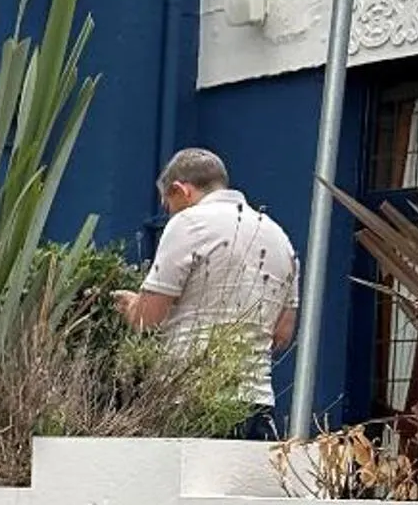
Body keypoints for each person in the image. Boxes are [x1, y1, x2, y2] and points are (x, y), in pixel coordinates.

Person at [114, 148, 299, 435]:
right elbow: (282, 333)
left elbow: (147, 318)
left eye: (168, 203)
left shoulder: (189, 223)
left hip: (190, 397)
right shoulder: (279, 237)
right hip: (257, 402)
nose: (169, 212)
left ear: (181, 190)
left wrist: (131, 306)